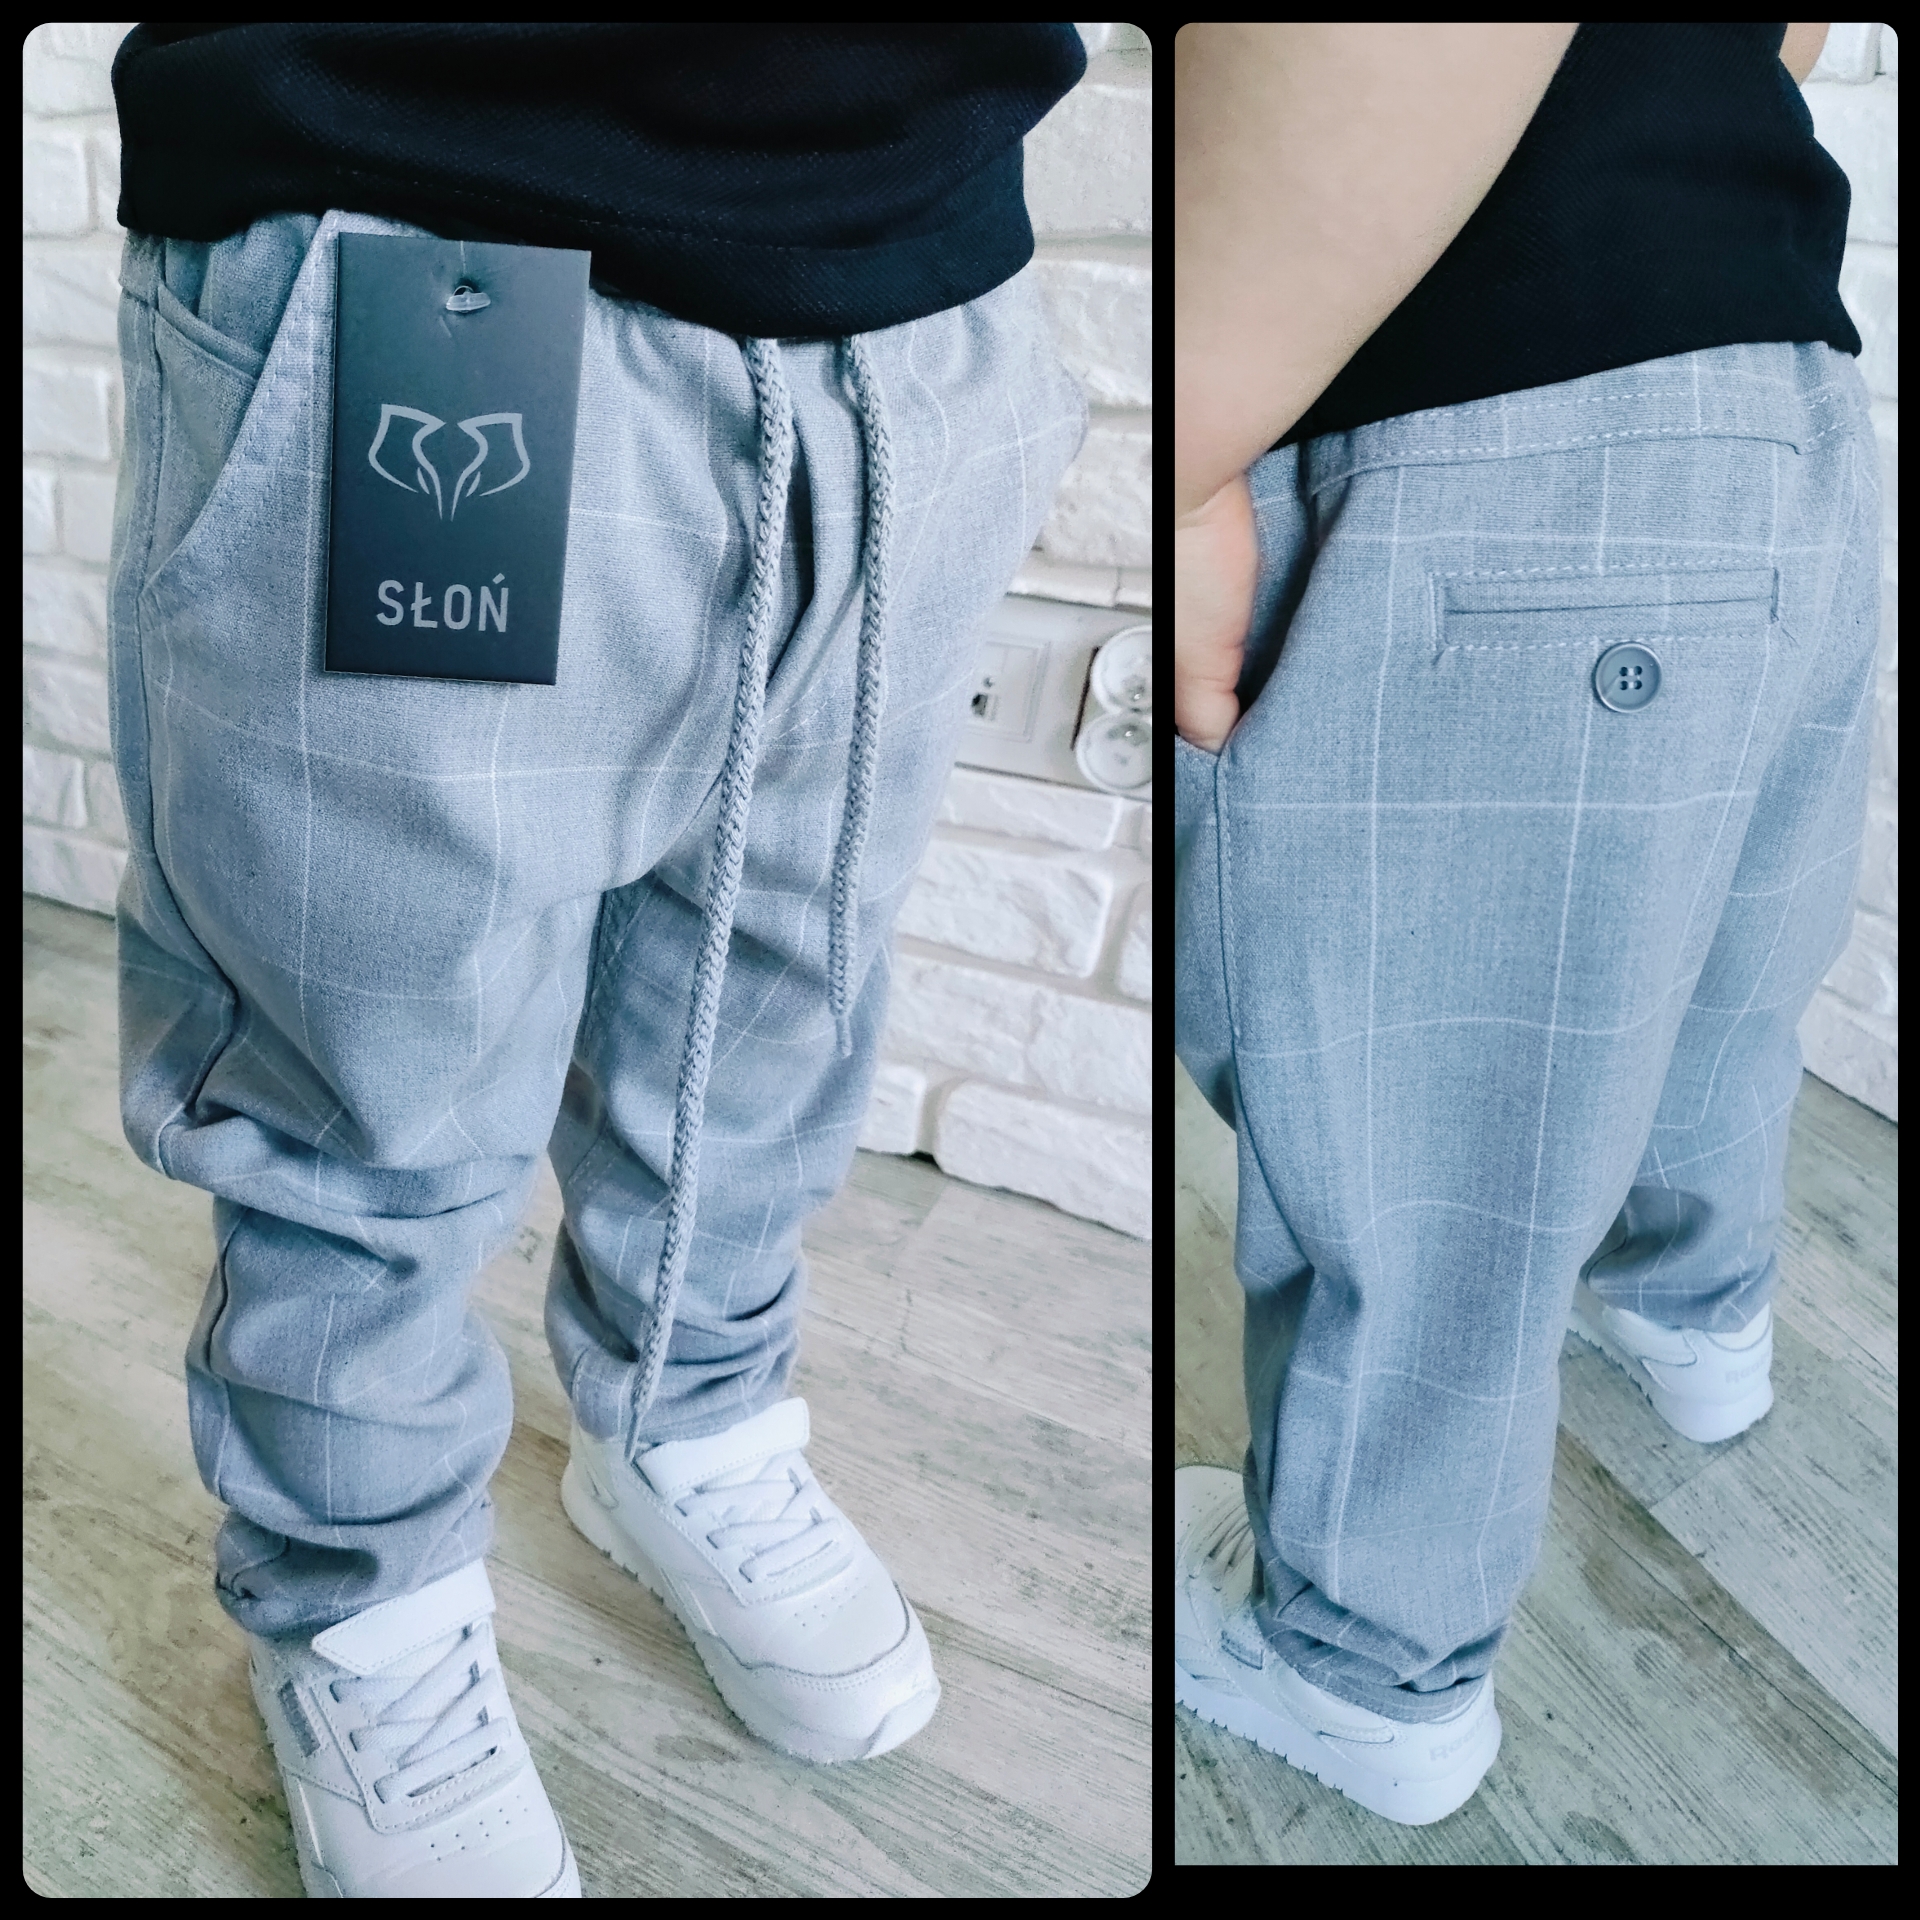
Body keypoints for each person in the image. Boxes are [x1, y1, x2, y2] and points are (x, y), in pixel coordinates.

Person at [106, 24, 1090, 1897]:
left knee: (779, 976)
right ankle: (363, 1596)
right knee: (368, 1058)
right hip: (430, 245)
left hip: (922, 275)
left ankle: (687, 1419)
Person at [1174, 23, 1876, 1826]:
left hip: (1493, 404)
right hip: (1773, 372)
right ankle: (1686, 1313)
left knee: (1432, 1115)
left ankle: (1363, 1666)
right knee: (1709, 960)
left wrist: (1182, 447)